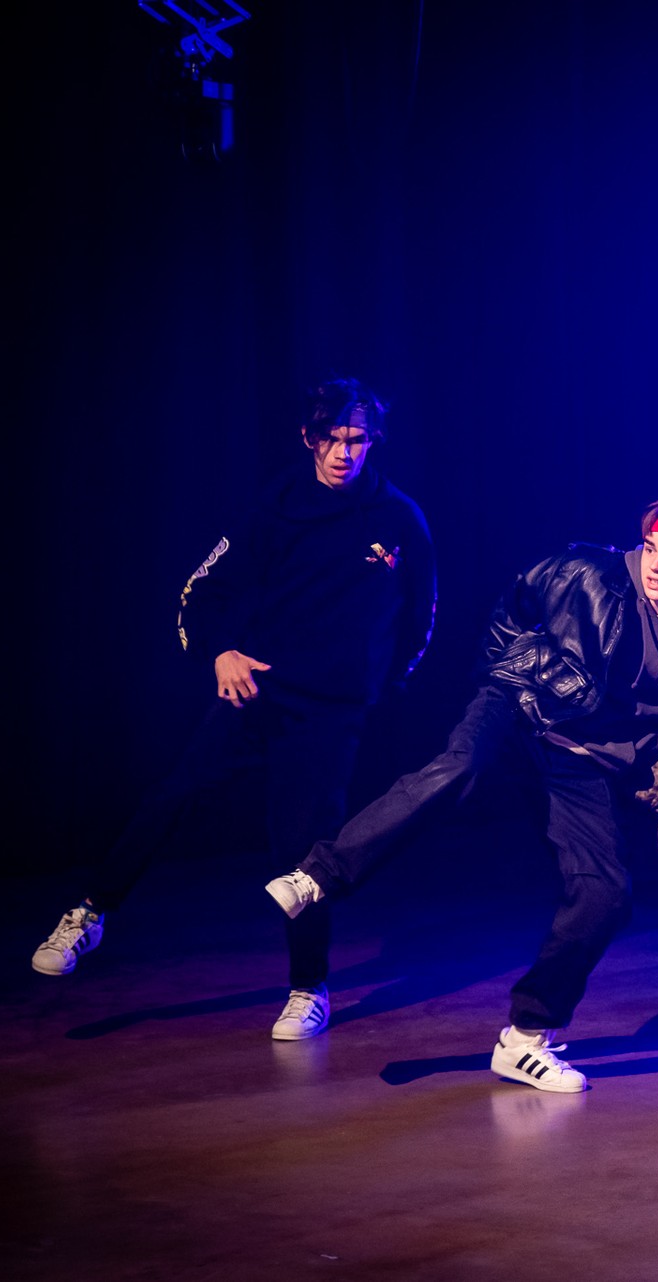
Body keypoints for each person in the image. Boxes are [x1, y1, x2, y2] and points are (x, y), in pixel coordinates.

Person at [261, 496, 658, 1088]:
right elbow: (516, 601)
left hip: (583, 765)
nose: (654, 565)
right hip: (523, 706)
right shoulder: (587, 570)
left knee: (606, 894)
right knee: (461, 766)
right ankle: (319, 875)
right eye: (650, 548)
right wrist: (508, 672)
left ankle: (526, 1038)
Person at [30, 378, 435, 1042]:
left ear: (373, 441)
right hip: (259, 690)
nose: (344, 453)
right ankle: (90, 914)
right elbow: (202, 591)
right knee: (173, 796)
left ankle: (308, 989)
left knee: (301, 851)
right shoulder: (274, 509)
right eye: (331, 439)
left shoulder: (398, 517)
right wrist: (219, 653)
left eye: (357, 439)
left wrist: (377, 687)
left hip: (330, 712)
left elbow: (422, 613)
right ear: (308, 438)